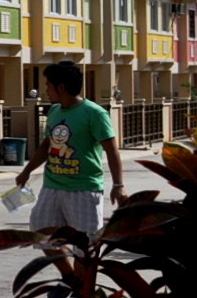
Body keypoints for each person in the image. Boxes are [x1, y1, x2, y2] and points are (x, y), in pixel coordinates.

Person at [14, 60, 128, 243]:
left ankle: (80, 273)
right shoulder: (54, 111)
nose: (46, 90)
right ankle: (68, 273)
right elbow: (46, 145)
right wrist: (26, 172)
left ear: (61, 87)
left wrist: (118, 186)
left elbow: (112, 150)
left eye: (48, 85)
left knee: (85, 245)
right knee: (41, 235)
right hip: (52, 187)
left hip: (83, 189)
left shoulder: (95, 113)